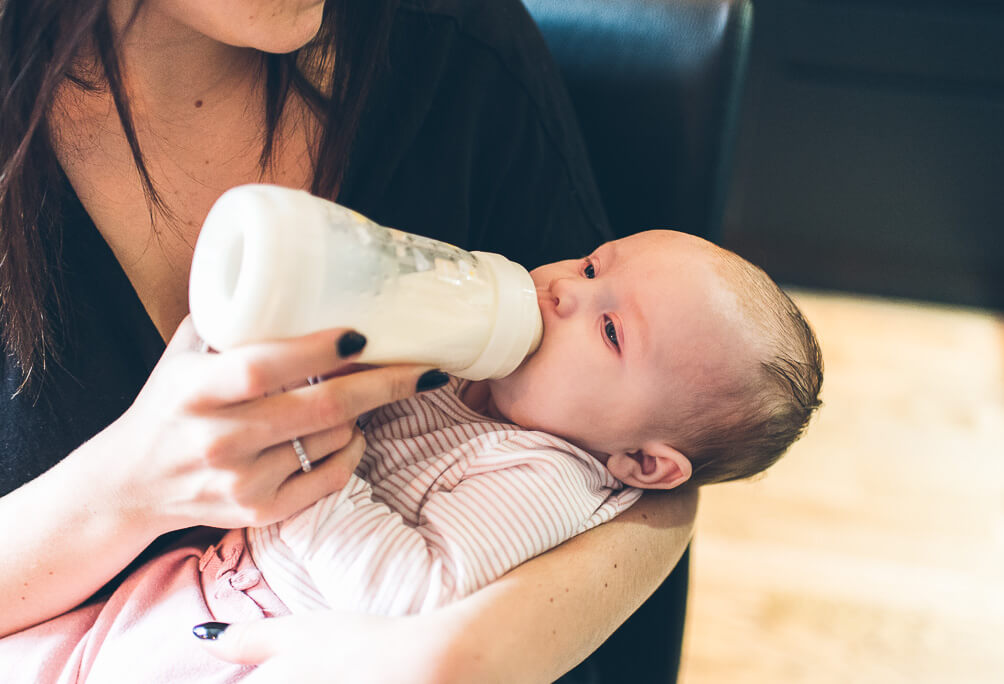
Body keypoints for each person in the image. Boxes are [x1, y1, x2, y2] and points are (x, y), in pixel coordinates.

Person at [0, 1, 702, 682]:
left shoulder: (457, 50)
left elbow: (670, 439)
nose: (566, 288)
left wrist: (466, 655)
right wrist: (123, 489)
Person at [0, 229, 823, 682]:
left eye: (610, 330)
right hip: (190, 589)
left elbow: (411, 594)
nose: (563, 289)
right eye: (591, 262)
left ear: (644, 464)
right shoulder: (489, 388)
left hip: (258, 635)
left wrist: (304, 455)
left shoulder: (548, 477)